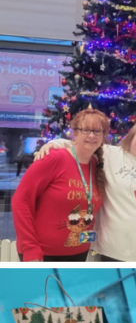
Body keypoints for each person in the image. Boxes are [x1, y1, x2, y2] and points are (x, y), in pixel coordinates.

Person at [34, 120, 136, 262]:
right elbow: (82, 145)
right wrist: (54, 144)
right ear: (131, 138)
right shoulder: (111, 155)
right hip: (114, 252)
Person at [12, 109, 107, 261]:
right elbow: (20, 201)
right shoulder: (53, 159)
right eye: (85, 130)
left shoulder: (97, 165)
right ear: (74, 132)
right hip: (42, 253)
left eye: (97, 131)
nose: (91, 135)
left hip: (79, 252)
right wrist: (29, 247)